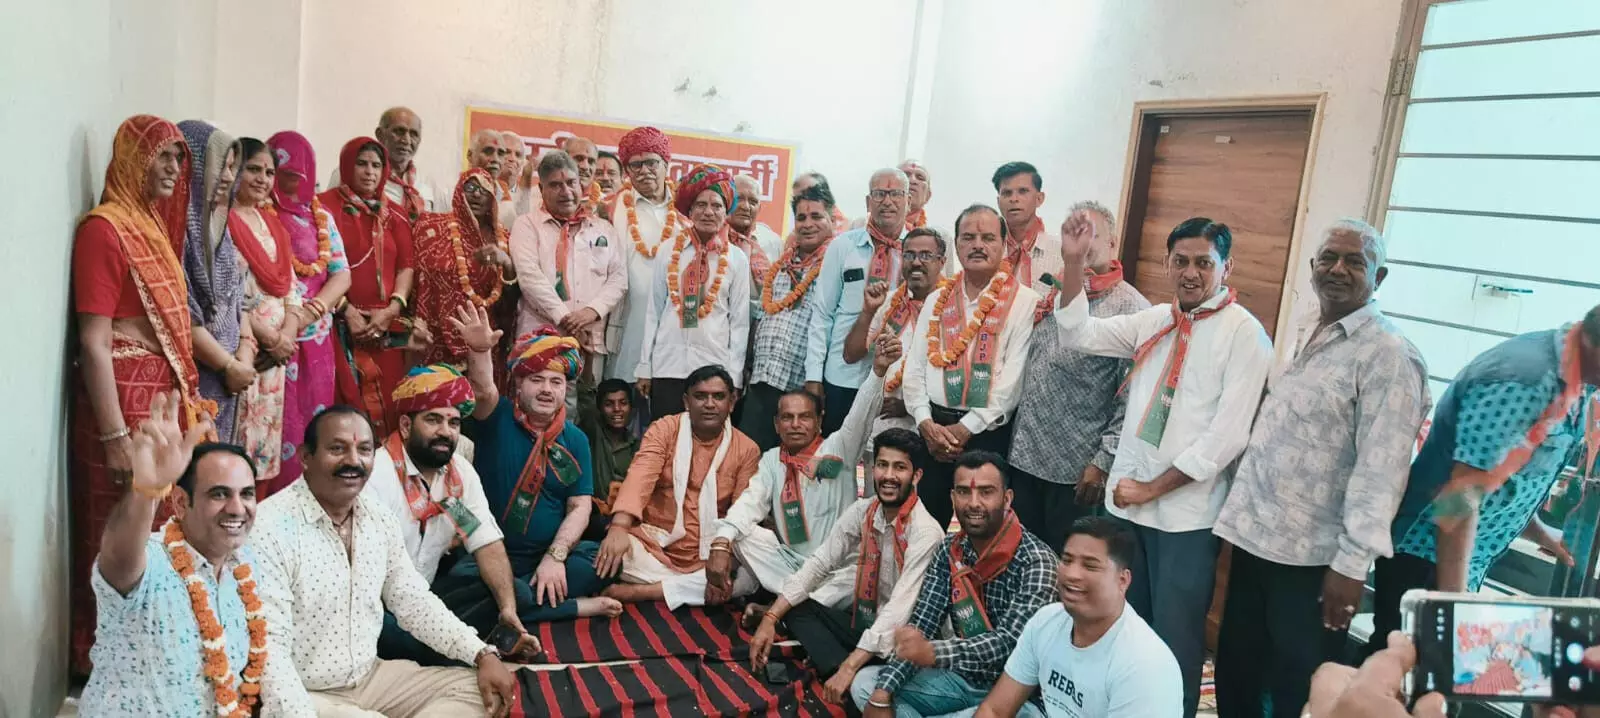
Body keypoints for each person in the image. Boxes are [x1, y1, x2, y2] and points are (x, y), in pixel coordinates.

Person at [1052, 213, 1274, 717]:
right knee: (1122, 624)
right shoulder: (1155, 320)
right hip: (1127, 509)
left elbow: (1226, 438)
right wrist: (1073, 262)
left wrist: (1151, 489)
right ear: (1167, 264)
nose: (1191, 273)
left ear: (1226, 267)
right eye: (1181, 261)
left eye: (1204, 263)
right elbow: (1077, 333)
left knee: (1175, 638)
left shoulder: (1244, 334)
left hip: (1185, 519)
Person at [1211, 220, 1430, 718]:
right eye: (1329, 257)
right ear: (1312, 267)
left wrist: (1351, 567)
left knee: (1297, 692)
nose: (1338, 269)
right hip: (1257, 540)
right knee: (1238, 675)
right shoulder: (1310, 327)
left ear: (1380, 276)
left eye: (1355, 261)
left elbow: (1381, 472)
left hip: (1313, 562)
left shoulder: (1389, 355)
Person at [252, 406, 519, 717]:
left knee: (478, 689)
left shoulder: (378, 515)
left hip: (370, 678)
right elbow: (269, 650)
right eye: (337, 449)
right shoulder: (270, 527)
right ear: (306, 457)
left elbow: (412, 599)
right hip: (306, 690)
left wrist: (481, 652)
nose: (353, 461)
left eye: (364, 450)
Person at [1370, 304, 1600, 648]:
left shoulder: (1575, 375)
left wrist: (1541, 533)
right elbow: (1458, 499)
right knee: (1401, 672)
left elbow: (1502, 478)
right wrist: (1453, 606)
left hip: (1461, 558)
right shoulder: (1525, 382)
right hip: (1427, 558)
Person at [70, 115, 210, 673]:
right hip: (124, 404)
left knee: (160, 529)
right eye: (163, 156)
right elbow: (94, 341)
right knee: (119, 525)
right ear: (133, 159)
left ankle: (155, 649)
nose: (174, 168)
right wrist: (114, 438)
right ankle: (107, 660)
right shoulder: (104, 230)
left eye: (179, 158)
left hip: (158, 399)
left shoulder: (148, 224)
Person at [79, 393, 268, 716]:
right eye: (219, 494)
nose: (237, 508)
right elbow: (118, 556)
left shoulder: (246, 566)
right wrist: (146, 492)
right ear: (181, 503)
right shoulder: (151, 563)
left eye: (246, 494)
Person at [438, 325, 625, 628]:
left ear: (565, 388)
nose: (547, 389)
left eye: (556, 382)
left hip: (546, 555)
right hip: (488, 554)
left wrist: (556, 557)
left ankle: (512, 599)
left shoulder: (575, 439)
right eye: (536, 380)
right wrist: (480, 350)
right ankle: (568, 606)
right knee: (468, 581)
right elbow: (483, 389)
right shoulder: (497, 416)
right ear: (518, 383)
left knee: (604, 563)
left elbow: (580, 506)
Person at [850, 452, 1058, 718]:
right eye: (963, 492)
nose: (973, 503)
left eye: (986, 492)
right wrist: (884, 690)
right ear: (952, 498)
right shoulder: (950, 549)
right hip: (960, 680)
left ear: (1007, 499)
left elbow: (1009, 643)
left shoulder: (1037, 561)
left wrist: (933, 652)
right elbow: (923, 621)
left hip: (1018, 694)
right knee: (867, 685)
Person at [748, 426, 943, 705]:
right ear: (873, 469)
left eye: (899, 467)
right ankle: (841, 672)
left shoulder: (926, 532)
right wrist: (770, 618)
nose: (888, 476)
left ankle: (843, 672)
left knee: (869, 657)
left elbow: (899, 611)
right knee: (797, 607)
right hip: (868, 624)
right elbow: (820, 564)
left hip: (905, 642)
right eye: (883, 465)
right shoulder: (865, 511)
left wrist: (850, 666)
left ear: (916, 476)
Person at [363, 357, 536, 666]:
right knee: (393, 633)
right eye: (433, 420)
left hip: (427, 598)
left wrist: (507, 610)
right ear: (406, 426)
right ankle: (467, 649)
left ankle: (460, 645)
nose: (445, 432)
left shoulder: (460, 475)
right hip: (377, 604)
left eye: (453, 423)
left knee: (515, 594)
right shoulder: (377, 474)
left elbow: (486, 541)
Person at [714, 334, 897, 616]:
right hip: (790, 565)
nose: (795, 424)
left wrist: (878, 372)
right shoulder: (772, 460)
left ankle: (781, 608)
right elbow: (750, 502)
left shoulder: (838, 449)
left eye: (805, 417)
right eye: (787, 418)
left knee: (860, 575)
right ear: (776, 425)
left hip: (836, 570)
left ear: (819, 422)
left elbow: (860, 415)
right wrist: (721, 542)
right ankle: (797, 610)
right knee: (738, 533)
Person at [1007, 202, 1148, 552]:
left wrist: (1103, 460)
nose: (1081, 244)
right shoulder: (1056, 290)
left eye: (1090, 235)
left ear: (1112, 243)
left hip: (1076, 468)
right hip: (1025, 453)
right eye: (1074, 234)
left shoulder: (1131, 307)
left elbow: (1131, 397)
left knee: (1067, 562)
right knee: (1021, 555)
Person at [906, 205, 1040, 531]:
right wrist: (924, 422)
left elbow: (1012, 382)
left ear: (1004, 244)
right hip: (934, 433)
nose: (977, 245)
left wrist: (966, 428)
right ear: (956, 245)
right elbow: (915, 369)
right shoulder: (938, 298)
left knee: (984, 528)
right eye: (968, 237)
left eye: (987, 238)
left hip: (987, 436)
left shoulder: (1024, 301)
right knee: (924, 527)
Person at [974, 517, 1184, 718]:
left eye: (1090, 566)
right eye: (1067, 560)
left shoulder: (1143, 665)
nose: (1072, 574)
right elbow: (995, 710)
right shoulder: (1046, 621)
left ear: (1123, 580)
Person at [594, 365, 763, 608]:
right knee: (604, 558)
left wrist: (722, 548)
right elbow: (640, 475)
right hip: (654, 547)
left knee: (752, 568)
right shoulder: (665, 429)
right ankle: (687, 590)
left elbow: (742, 511)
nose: (709, 404)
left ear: (732, 402)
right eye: (700, 396)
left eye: (718, 396)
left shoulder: (747, 449)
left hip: (712, 552)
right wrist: (620, 526)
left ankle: (647, 591)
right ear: (686, 401)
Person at [635, 164, 753, 421]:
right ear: (689, 210)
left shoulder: (737, 259)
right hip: (667, 366)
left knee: (705, 440)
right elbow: (654, 311)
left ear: (726, 212)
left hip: (712, 370)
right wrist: (645, 366)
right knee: (665, 436)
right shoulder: (668, 250)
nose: (708, 212)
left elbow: (739, 323)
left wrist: (733, 377)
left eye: (716, 205)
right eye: (700, 204)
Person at [267, 131, 353, 485]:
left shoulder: (320, 217)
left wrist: (311, 311)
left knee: (314, 429)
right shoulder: (256, 214)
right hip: (270, 342)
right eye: (284, 174)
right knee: (274, 432)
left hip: (316, 343)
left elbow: (341, 273)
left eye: (301, 175)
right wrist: (287, 322)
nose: (295, 182)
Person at [321, 136, 419, 438]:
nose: (369, 172)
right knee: (344, 409)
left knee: (389, 405)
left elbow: (406, 265)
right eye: (361, 164)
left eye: (376, 165)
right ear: (347, 166)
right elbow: (317, 267)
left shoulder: (395, 214)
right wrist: (346, 310)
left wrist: (392, 309)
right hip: (338, 325)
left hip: (384, 329)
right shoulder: (324, 207)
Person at [807, 167, 911, 435]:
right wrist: (813, 377)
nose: (887, 201)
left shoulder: (917, 251)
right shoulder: (843, 246)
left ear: (908, 201)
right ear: (868, 201)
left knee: (882, 456)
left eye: (895, 194)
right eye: (879, 194)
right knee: (835, 452)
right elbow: (822, 313)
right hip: (842, 375)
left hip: (892, 382)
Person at [509, 150, 626, 383]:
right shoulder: (527, 225)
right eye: (555, 185)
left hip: (590, 338)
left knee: (587, 403)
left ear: (581, 184)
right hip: (541, 337)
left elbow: (619, 278)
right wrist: (566, 319)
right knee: (542, 399)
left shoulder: (602, 228)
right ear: (541, 189)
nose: (566, 191)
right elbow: (530, 278)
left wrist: (590, 312)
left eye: (571, 182)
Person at [230, 137, 303, 493]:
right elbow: (228, 295)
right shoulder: (222, 221)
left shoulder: (272, 225)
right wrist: (269, 338)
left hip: (276, 359)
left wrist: (286, 336)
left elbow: (290, 287)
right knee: (236, 447)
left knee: (263, 449)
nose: (262, 179)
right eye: (253, 169)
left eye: (269, 172)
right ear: (233, 170)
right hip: (241, 348)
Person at [740, 184, 837, 450]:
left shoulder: (836, 265)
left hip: (804, 387)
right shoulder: (782, 265)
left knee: (797, 465)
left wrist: (816, 383)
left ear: (832, 219)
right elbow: (763, 314)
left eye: (816, 216)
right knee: (750, 458)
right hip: (762, 379)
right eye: (801, 218)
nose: (808, 224)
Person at [844, 228, 949, 467]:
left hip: (929, 433)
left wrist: (910, 406)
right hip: (882, 428)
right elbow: (851, 354)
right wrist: (868, 311)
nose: (917, 262)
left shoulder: (952, 308)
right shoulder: (889, 301)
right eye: (909, 255)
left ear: (942, 262)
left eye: (926, 255)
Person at [173, 120, 249, 444]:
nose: (229, 177)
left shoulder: (218, 226)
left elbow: (237, 299)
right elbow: (184, 318)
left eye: (232, 167)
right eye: (221, 166)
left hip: (230, 378)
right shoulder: (175, 232)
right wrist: (229, 365)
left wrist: (245, 352)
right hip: (200, 379)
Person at [412, 169, 517, 370]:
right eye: (470, 187)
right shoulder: (431, 227)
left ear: (493, 198)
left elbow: (511, 301)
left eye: (484, 190)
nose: (477, 194)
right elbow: (416, 276)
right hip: (433, 338)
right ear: (459, 190)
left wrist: (507, 263)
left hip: (485, 342)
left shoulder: (503, 239)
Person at [607, 126, 681, 389]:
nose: (644, 171)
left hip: (674, 326)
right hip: (627, 322)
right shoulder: (611, 207)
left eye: (652, 162)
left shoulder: (686, 209)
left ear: (666, 164)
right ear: (627, 170)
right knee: (621, 396)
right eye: (635, 165)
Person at [329, 108, 444, 222]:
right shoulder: (350, 173)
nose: (407, 140)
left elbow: (439, 225)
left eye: (414, 134)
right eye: (399, 131)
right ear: (380, 134)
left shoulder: (429, 183)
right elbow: (328, 218)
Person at [580, 378, 641, 538]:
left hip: (624, 521)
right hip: (590, 518)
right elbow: (585, 398)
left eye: (623, 403)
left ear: (631, 408)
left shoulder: (638, 447)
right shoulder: (593, 433)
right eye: (609, 404)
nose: (617, 409)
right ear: (600, 409)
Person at [992, 162, 1060, 297]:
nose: (1014, 199)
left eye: (1023, 191)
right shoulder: (988, 251)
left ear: (1039, 199)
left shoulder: (1062, 253)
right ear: (998, 202)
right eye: (1007, 193)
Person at [727, 173, 784, 282]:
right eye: (739, 199)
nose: (746, 207)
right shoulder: (713, 239)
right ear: (726, 201)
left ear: (759, 208)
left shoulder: (773, 242)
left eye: (753, 202)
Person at [793, 170, 851, 235]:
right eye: (798, 196)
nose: (808, 224)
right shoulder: (795, 235)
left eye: (810, 192)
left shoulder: (844, 230)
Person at [563, 136, 608, 217]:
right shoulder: (543, 198)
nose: (585, 167)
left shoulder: (606, 205)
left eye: (591, 161)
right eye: (579, 159)